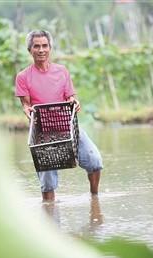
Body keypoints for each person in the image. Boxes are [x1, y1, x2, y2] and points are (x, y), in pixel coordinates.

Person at [15, 30, 103, 202]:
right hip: (43, 134)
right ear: (30, 50)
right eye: (36, 46)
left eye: (45, 46)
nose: (41, 50)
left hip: (68, 128)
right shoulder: (23, 77)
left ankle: (95, 199)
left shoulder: (62, 71)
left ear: (50, 48)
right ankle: (50, 212)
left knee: (94, 161)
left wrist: (75, 102)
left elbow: (70, 97)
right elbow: (26, 104)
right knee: (47, 183)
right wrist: (26, 110)